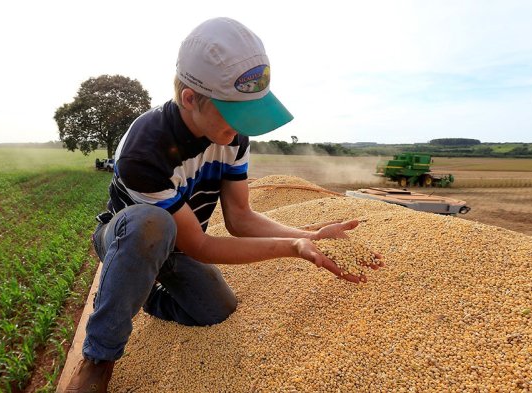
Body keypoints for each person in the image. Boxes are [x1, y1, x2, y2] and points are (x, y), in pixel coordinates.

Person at [65, 17, 382, 392]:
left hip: (179, 241)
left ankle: (142, 293)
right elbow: (200, 245)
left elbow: (241, 217)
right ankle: (99, 358)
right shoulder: (143, 150)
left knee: (215, 309)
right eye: (235, 114)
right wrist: (292, 249)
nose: (241, 127)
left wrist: (311, 235)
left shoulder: (233, 139)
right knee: (151, 225)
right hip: (127, 236)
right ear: (190, 99)